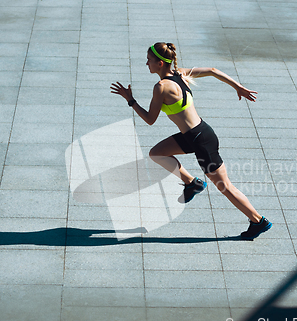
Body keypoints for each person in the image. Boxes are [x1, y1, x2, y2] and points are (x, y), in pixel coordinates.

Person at [110, 42, 271, 240]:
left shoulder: (161, 87)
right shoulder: (179, 74)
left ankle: (258, 220)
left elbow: (150, 120)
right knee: (157, 153)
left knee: (225, 187)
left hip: (201, 140)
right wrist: (237, 87)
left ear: (160, 63)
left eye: (149, 61)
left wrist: (131, 100)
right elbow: (212, 71)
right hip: (195, 135)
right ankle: (192, 183)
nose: (146, 64)